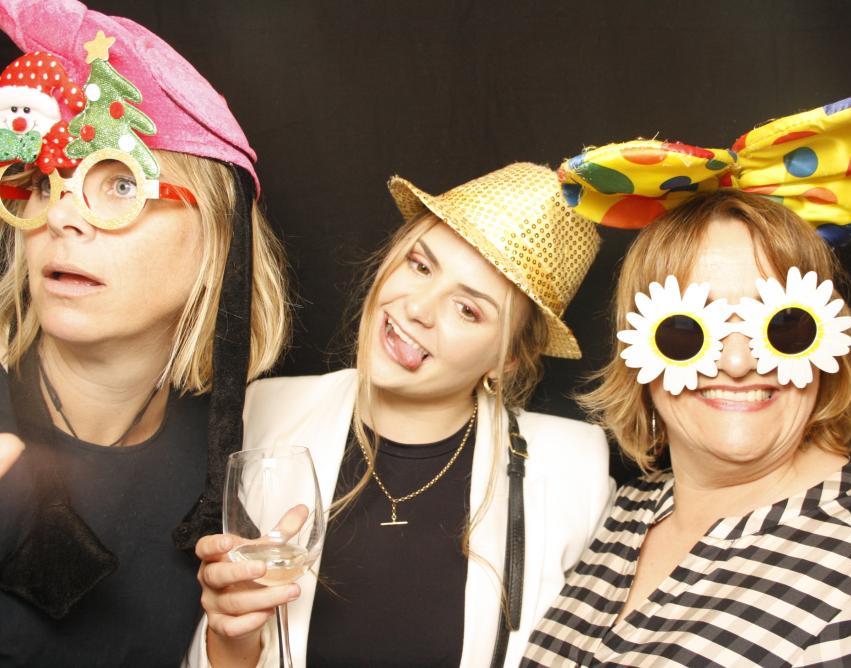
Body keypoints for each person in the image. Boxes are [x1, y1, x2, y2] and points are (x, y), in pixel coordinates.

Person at [523, 93, 851, 665]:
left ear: (830, 338)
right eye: (687, 331)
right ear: (636, 350)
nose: (736, 362)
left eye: (782, 327)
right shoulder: (623, 514)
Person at [190, 162, 613, 667]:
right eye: (420, 265)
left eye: (468, 309)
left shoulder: (573, 469)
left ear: (510, 360)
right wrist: (231, 635)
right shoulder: (263, 413)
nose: (417, 308)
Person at [0, 0, 290, 664]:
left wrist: (233, 649)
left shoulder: (236, 467)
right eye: (46, 183)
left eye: (122, 186)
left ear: (220, 242)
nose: (62, 217)